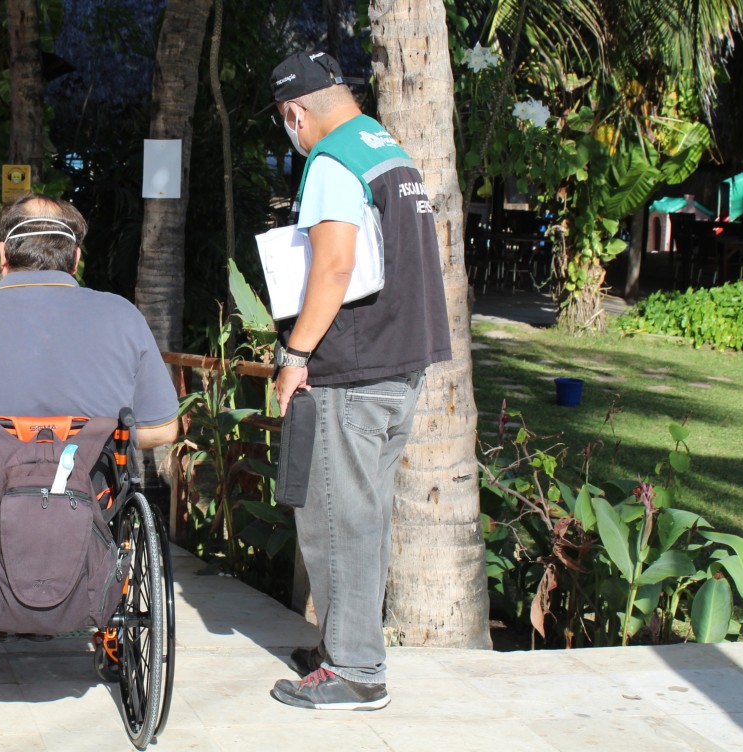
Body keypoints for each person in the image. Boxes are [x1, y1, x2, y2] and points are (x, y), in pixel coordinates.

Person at [262, 51, 451, 710]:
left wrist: (294, 353)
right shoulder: (387, 149)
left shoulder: (333, 159)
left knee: (338, 518)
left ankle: (356, 670)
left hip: (354, 365)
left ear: (295, 112)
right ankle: (347, 643)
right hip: (403, 360)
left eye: (288, 124)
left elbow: (335, 265)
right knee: (362, 514)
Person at [0, 194, 179, 484]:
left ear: (3, 254)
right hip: (93, 504)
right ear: (75, 257)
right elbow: (162, 430)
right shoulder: (124, 317)